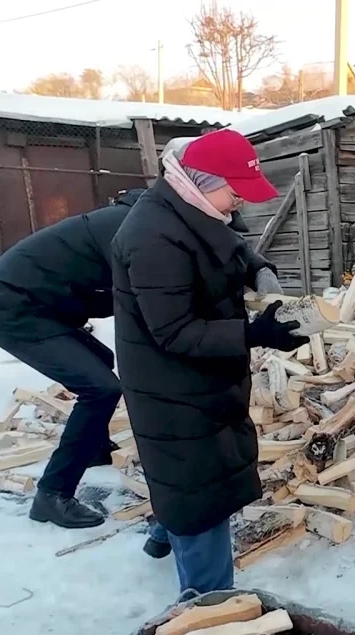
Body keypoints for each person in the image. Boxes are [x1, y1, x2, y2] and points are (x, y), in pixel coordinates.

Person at [111, 129, 306, 597]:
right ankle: (207, 610)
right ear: (202, 179)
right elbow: (174, 331)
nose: (238, 204)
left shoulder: (193, 206)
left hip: (202, 380)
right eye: (234, 192)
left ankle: (166, 534)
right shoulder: (152, 237)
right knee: (200, 499)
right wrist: (254, 334)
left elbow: (230, 244)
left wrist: (258, 268)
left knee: (193, 483)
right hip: (172, 389)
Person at [0, 188, 145, 529]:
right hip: (13, 310)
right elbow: (142, 298)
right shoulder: (125, 229)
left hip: (40, 306)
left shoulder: (132, 224)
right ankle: (52, 495)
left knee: (99, 359)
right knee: (101, 388)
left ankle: (92, 445)